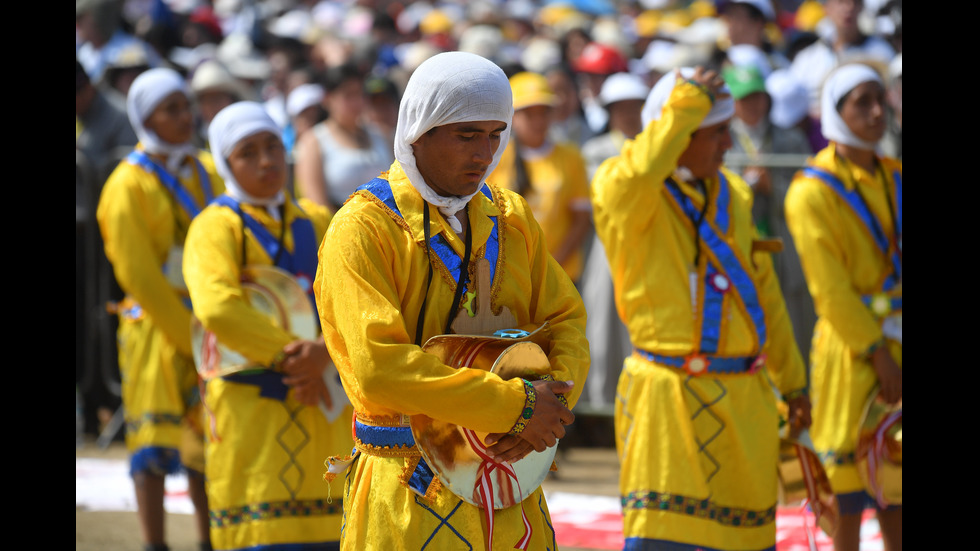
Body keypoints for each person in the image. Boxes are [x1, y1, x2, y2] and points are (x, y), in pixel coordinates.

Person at [314, 51, 589, 550]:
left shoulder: (511, 216)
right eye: (467, 135)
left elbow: (564, 318)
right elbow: (380, 368)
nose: (485, 153)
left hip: (511, 478)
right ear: (420, 131)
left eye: (494, 134)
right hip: (410, 490)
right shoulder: (363, 227)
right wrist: (518, 406)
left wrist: (553, 398)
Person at [590, 66, 811, 550]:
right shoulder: (623, 188)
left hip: (746, 405)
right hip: (667, 403)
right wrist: (688, 99)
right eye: (716, 133)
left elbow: (764, 295)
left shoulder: (734, 193)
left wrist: (793, 381)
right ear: (678, 132)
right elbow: (638, 172)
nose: (729, 144)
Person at [182, 101, 354, 551]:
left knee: (329, 529)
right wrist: (295, 356)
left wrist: (324, 351)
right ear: (224, 162)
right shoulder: (215, 226)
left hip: (322, 394)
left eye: (274, 146)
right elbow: (218, 307)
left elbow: (353, 295)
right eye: (248, 152)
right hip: (251, 401)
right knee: (258, 529)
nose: (266, 161)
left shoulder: (317, 221)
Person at [96, 66, 220, 551]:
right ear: (146, 118)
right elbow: (139, 276)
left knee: (206, 442)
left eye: (185, 105)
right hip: (156, 325)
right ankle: (154, 543)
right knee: (153, 444)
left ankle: (208, 540)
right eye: (170, 110)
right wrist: (189, 333)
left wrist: (209, 326)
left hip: (212, 320)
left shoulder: (209, 168)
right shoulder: (127, 183)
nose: (185, 116)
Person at [784, 62, 902, 551]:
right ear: (833, 112)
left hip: (897, 341)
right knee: (849, 493)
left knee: (897, 490)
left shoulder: (895, 176)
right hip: (852, 353)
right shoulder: (811, 191)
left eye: (880, 99)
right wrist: (878, 351)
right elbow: (829, 291)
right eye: (861, 102)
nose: (877, 112)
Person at [721, 62, 817, 360]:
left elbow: (810, 194)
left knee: (791, 320)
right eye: (743, 98)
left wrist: (771, 187)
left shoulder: (791, 139)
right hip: (738, 246)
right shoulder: (719, 139)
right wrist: (745, 187)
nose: (752, 104)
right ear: (732, 102)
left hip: (783, 245)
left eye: (757, 96)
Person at [577, 72, 648, 414]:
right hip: (608, 246)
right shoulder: (596, 149)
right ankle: (602, 407)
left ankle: (641, 402)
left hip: (651, 246)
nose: (629, 113)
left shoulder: (656, 148)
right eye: (621, 107)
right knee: (603, 326)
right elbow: (606, 198)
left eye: (635, 106)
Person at [488, 70, 592, 287]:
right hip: (507, 277)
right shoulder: (494, 158)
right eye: (529, 113)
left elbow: (581, 220)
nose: (538, 120)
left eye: (543, 112)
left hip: (560, 276)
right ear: (511, 116)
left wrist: (550, 266)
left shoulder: (571, 157)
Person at [293, 63, 393, 213]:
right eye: (348, 95)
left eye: (359, 94)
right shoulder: (313, 142)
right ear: (328, 99)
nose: (356, 102)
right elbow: (317, 204)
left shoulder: (382, 135)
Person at [789, 0, 895, 126]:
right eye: (841, 2)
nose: (848, 7)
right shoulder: (806, 59)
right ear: (826, 8)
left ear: (862, 7)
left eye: (855, 2)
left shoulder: (882, 52)